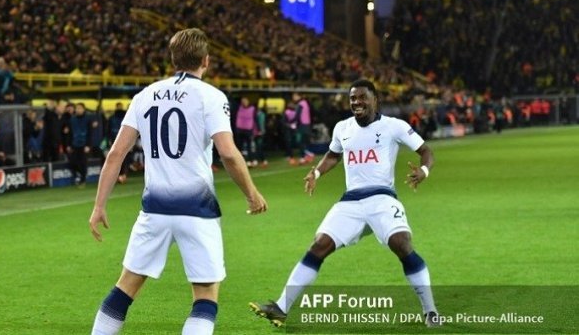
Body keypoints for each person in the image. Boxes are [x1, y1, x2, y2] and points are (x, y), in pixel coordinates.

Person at [89, 28, 268, 335]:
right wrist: (251, 193)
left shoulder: (145, 95)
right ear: (206, 61)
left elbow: (117, 152)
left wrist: (99, 205)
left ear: (173, 59)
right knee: (205, 295)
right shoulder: (212, 96)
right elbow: (227, 152)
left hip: (154, 209)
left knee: (126, 286)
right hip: (197, 209)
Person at [250, 79, 440, 328]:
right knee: (319, 246)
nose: (357, 103)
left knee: (401, 244)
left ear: (375, 100)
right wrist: (316, 173)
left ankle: (430, 311)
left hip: (382, 198)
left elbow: (427, 151)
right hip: (351, 201)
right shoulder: (342, 127)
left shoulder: (394, 126)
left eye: (362, 97)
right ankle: (281, 308)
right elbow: (333, 155)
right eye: (353, 99)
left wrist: (424, 171)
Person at [67, 102, 92, 187]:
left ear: (83, 109)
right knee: (73, 162)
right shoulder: (72, 119)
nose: (78, 110)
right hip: (74, 144)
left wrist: (88, 145)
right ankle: (80, 176)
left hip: (84, 144)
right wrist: (69, 145)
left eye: (80, 108)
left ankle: (83, 180)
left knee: (83, 162)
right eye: (77, 108)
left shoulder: (88, 119)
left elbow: (90, 132)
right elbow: (70, 133)